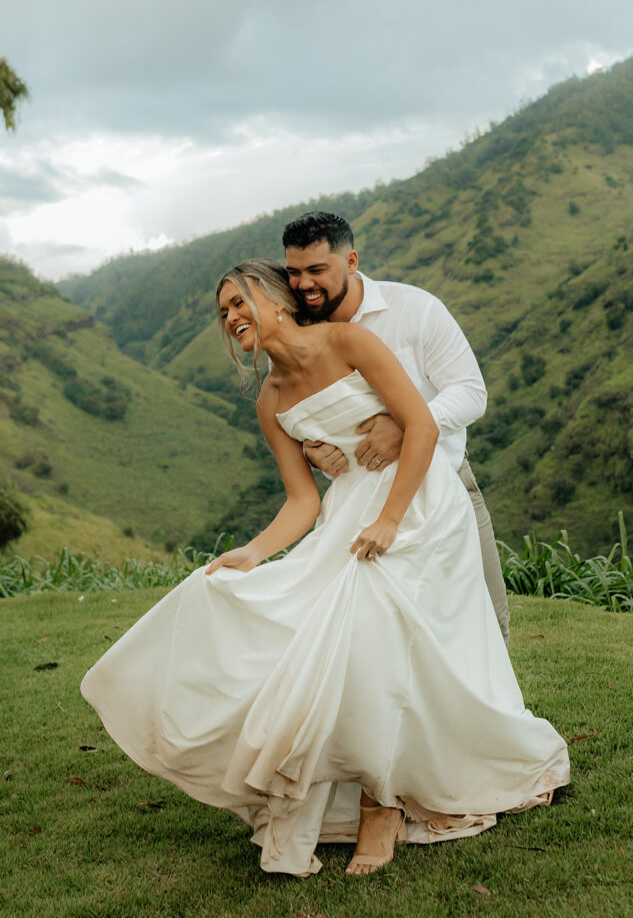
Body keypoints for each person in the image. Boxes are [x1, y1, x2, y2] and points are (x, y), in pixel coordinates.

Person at [81, 259, 569, 879]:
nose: (232, 317)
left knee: (370, 634)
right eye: (223, 310)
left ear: (279, 299)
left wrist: (390, 520)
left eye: (240, 301)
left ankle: (380, 805)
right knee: (304, 632)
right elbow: (302, 501)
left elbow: (418, 424)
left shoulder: (350, 341)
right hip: (347, 512)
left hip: (419, 501)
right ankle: (364, 783)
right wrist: (254, 553)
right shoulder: (270, 400)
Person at [281, 211, 511, 645]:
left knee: (487, 620)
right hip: (356, 504)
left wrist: (410, 425)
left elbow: (471, 392)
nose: (304, 284)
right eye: (293, 273)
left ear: (350, 262)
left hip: (446, 485)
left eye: (316, 270)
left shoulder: (415, 309)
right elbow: (293, 407)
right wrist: (308, 447)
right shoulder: (298, 332)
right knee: (369, 635)